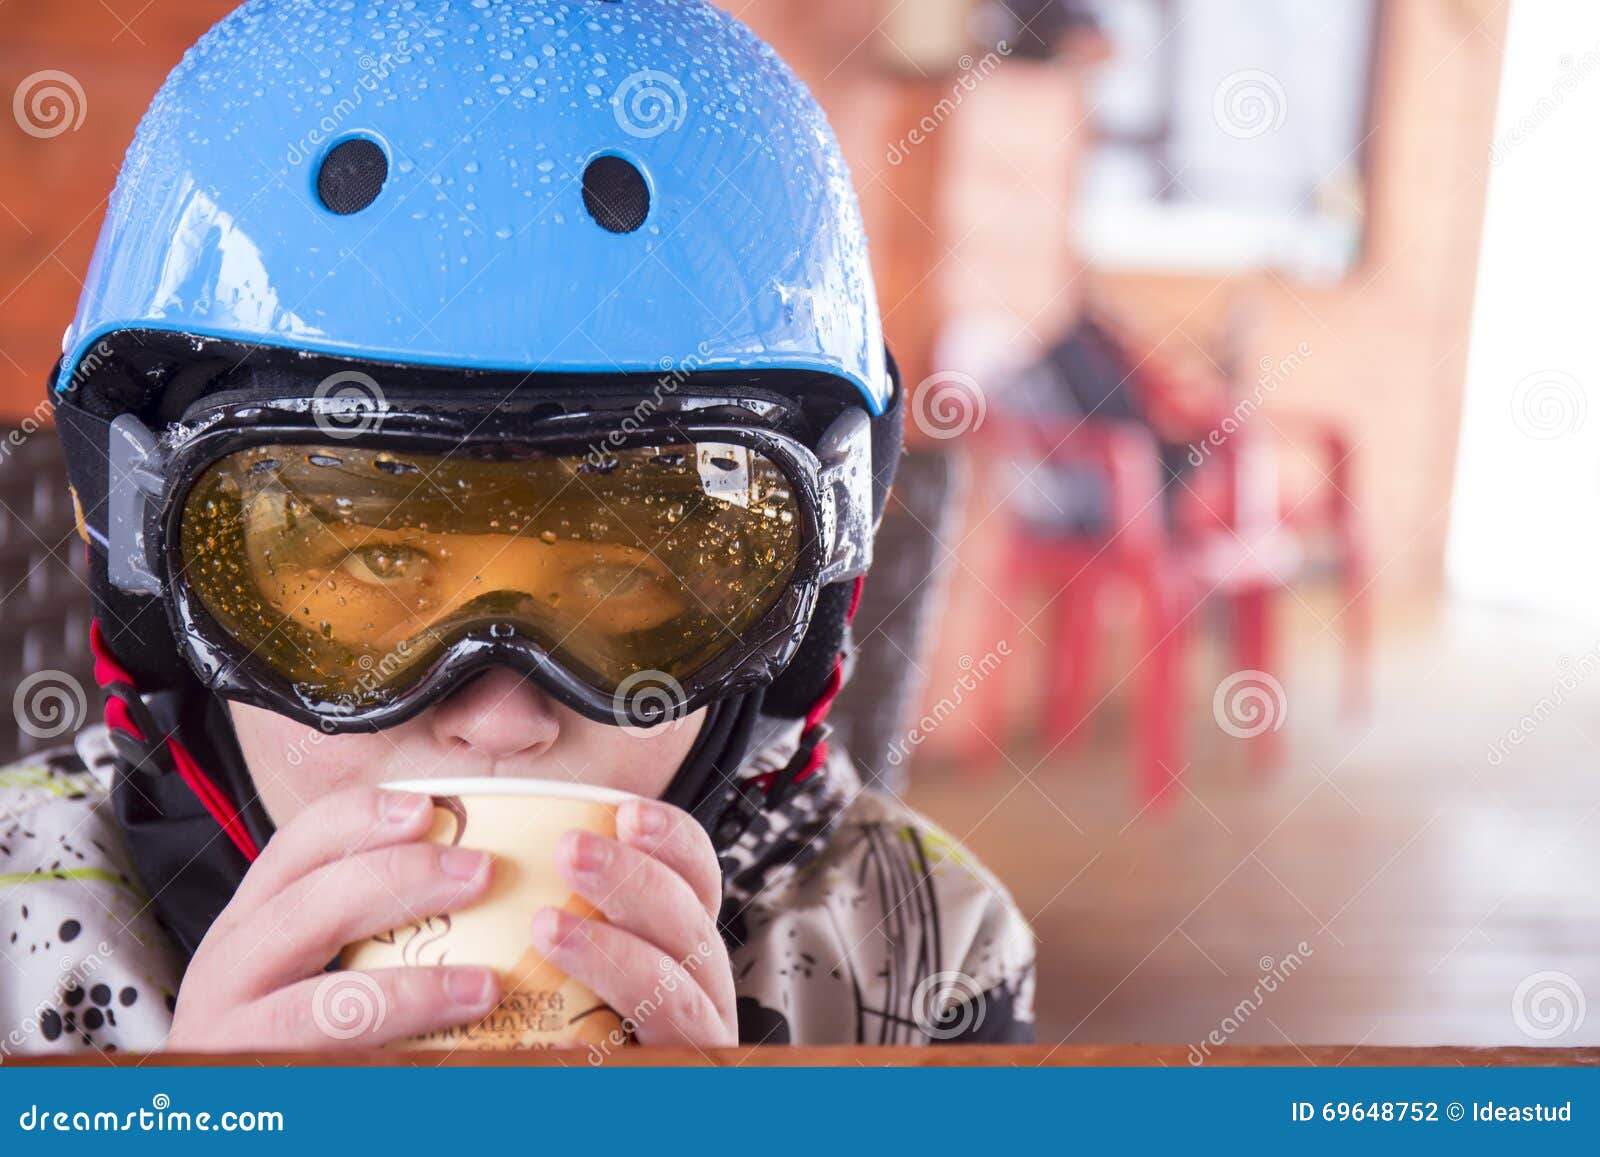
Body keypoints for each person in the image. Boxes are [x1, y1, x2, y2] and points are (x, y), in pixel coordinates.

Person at [0, 0, 1033, 1057]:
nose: (498, 722)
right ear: (156, 588)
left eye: (617, 576)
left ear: (794, 616)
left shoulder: (917, 956)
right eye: (378, 559)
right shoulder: (18, 944)